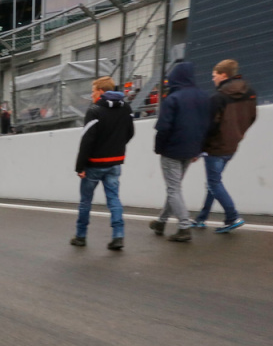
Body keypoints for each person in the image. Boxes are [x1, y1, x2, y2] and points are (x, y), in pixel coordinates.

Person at [149, 61, 210, 243]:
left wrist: (159, 148)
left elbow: (163, 128)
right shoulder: (204, 97)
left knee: (173, 188)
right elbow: (206, 126)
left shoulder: (173, 98)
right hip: (191, 150)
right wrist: (199, 149)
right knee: (174, 188)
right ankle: (161, 222)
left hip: (171, 150)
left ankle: (184, 226)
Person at [71, 76, 134, 251]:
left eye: (93, 91)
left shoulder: (95, 110)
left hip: (94, 164)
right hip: (115, 163)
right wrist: (116, 147)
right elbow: (130, 133)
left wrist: (80, 166)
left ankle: (81, 236)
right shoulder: (126, 107)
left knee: (86, 201)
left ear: (100, 91)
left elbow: (87, 141)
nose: (91, 95)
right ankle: (118, 236)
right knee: (114, 199)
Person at [194, 59, 256, 234]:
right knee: (214, 182)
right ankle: (201, 219)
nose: (212, 79)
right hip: (232, 145)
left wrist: (199, 147)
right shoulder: (249, 92)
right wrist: (239, 133)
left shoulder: (218, 97)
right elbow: (252, 116)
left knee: (214, 183)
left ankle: (232, 216)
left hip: (215, 146)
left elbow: (210, 125)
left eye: (214, 75)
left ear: (223, 75)